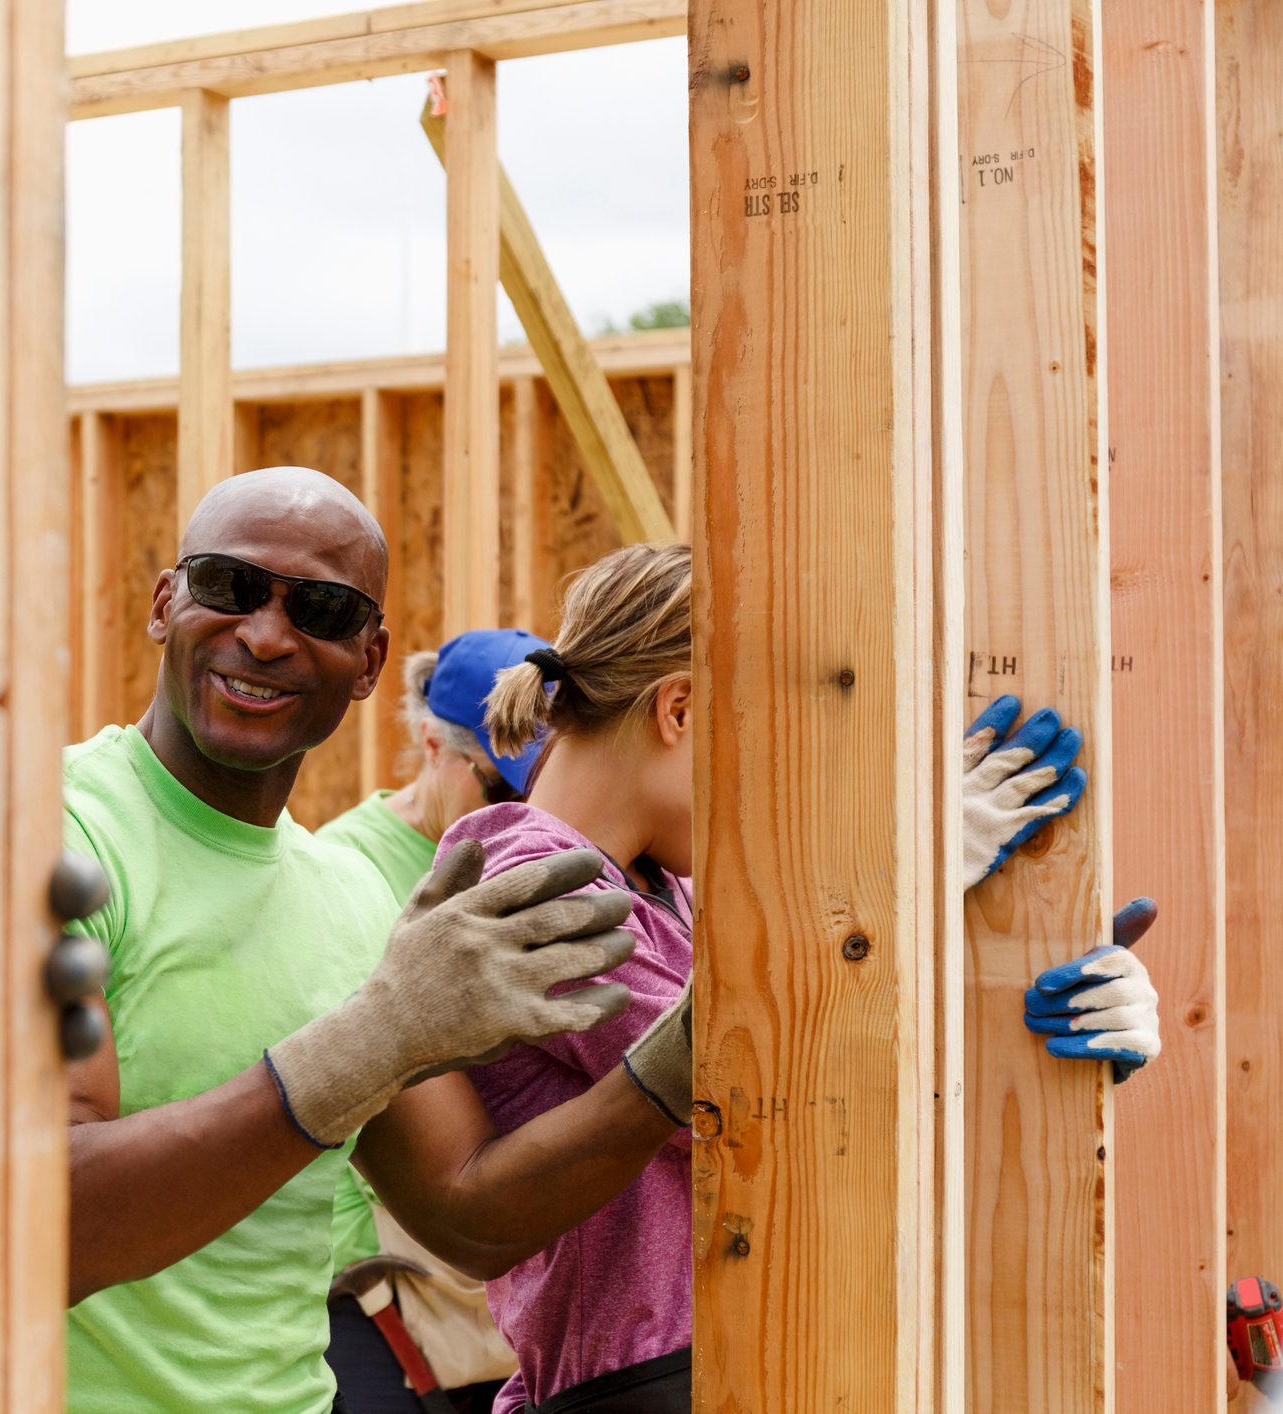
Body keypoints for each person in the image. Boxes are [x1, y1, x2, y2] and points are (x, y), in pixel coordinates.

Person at [350, 542, 1162, 1413]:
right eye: (773, 750)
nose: (782, 793)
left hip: (737, 1353)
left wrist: (1023, 1019)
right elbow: (752, 1096)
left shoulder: (669, 888)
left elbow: (831, 1045)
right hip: (646, 1379)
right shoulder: (529, 879)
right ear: (682, 709)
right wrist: (904, 896)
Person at [63, 467, 642, 1413]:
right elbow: (50, 1225)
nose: (264, 634)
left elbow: (467, 1213)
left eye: (321, 610)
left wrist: (668, 1073)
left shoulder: (352, 902)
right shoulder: (61, 835)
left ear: (370, 662)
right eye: (229, 586)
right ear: (165, 603)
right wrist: (374, 1041)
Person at [319, 629, 550, 1413]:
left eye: (538, 789)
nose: (522, 814)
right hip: (383, 1282)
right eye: (500, 790)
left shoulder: (540, 855)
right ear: (431, 745)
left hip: (501, 1267)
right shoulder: (346, 874)